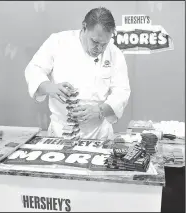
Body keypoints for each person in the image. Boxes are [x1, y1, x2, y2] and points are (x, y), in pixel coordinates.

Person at [25, 7, 130, 140]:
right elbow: (34, 69)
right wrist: (51, 87)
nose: (99, 49)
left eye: (104, 44)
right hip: (60, 132)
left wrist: (99, 110)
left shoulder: (115, 53)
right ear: (84, 27)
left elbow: (122, 92)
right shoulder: (58, 42)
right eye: (95, 42)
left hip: (99, 134)